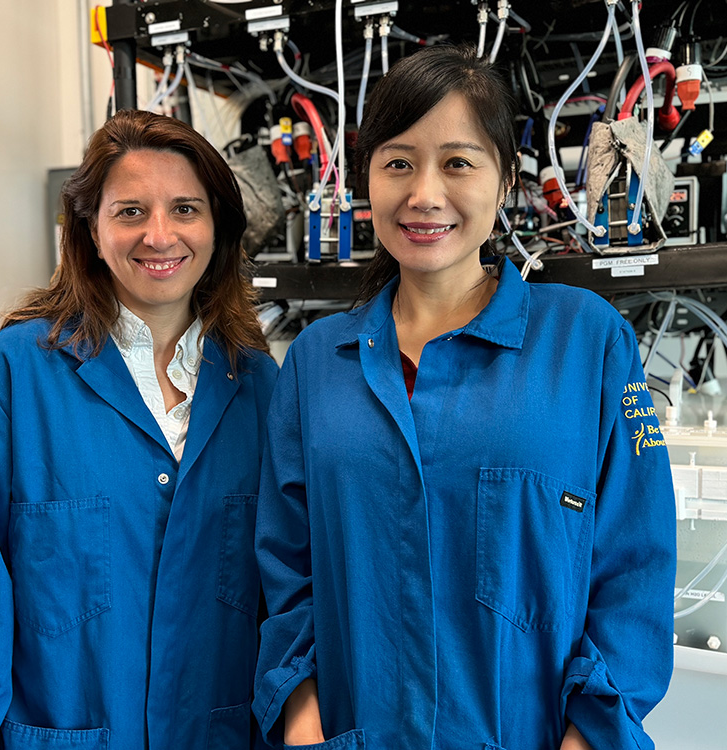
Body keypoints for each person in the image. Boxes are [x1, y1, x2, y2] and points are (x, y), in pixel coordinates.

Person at [254, 45, 676, 750]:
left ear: (506, 177)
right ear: (365, 181)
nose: (424, 194)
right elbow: (285, 573)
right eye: (398, 163)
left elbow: (635, 568)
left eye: (458, 162)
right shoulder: (314, 364)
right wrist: (305, 728)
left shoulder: (587, 342)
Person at [0, 109, 278, 750]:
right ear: (91, 228)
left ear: (218, 227)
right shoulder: (12, 379)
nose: (159, 236)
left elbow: (285, 604)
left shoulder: (261, 390)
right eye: (130, 211)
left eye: (185, 209)